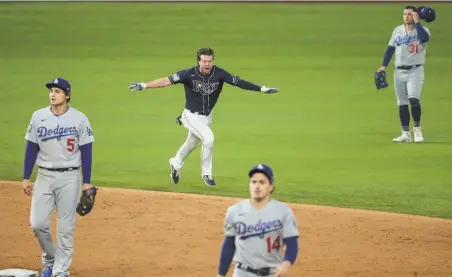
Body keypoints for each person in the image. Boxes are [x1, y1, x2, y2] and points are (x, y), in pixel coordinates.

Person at [128, 47, 279, 186]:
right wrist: (144, 85)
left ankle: (175, 162)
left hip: (207, 117)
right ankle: (206, 173)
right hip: (190, 116)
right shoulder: (188, 74)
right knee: (209, 138)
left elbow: (238, 82)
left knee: (192, 143)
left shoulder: (219, 73)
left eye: (210, 61)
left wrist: (262, 89)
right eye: (204, 61)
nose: (207, 64)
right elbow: (166, 81)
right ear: (199, 61)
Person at [22, 77, 96, 277]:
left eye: (57, 91)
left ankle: (60, 271)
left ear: (67, 95)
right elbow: (31, 147)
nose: (52, 95)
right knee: (37, 224)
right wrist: (26, 177)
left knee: (65, 228)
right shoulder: (38, 116)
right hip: (44, 176)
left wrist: (86, 181)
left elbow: (87, 150)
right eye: (51, 91)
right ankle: (50, 259)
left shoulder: (79, 119)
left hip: (70, 177)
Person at [216, 164, 299, 277]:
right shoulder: (234, 211)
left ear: (270, 186)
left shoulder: (283, 212)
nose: (257, 186)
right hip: (242, 273)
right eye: (253, 182)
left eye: (262, 182)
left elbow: (292, 242)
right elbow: (229, 244)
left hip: (272, 273)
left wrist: (287, 263)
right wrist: (221, 274)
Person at [377, 5, 431, 143]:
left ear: (415, 16)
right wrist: (383, 66)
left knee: (414, 99)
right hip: (398, 71)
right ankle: (405, 133)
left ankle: (417, 130)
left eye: (410, 14)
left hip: (415, 70)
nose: (406, 16)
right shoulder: (397, 30)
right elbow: (390, 50)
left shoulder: (423, 30)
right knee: (402, 103)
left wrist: (417, 22)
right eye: (405, 14)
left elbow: (424, 39)